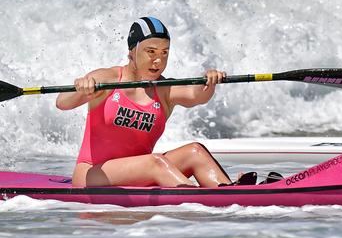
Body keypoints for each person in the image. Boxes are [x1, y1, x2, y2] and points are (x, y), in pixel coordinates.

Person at [56, 16, 237, 187]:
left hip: (142, 170)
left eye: (164, 53)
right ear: (132, 52)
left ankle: (230, 192)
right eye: (150, 52)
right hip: (93, 174)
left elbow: (197, 95)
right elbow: (62, 102)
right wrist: (82, 90)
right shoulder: (107, 78)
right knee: (155, 162)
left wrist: (210, 80)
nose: (158, 60)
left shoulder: (164, 89)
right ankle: (196, 196)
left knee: (195, 152)